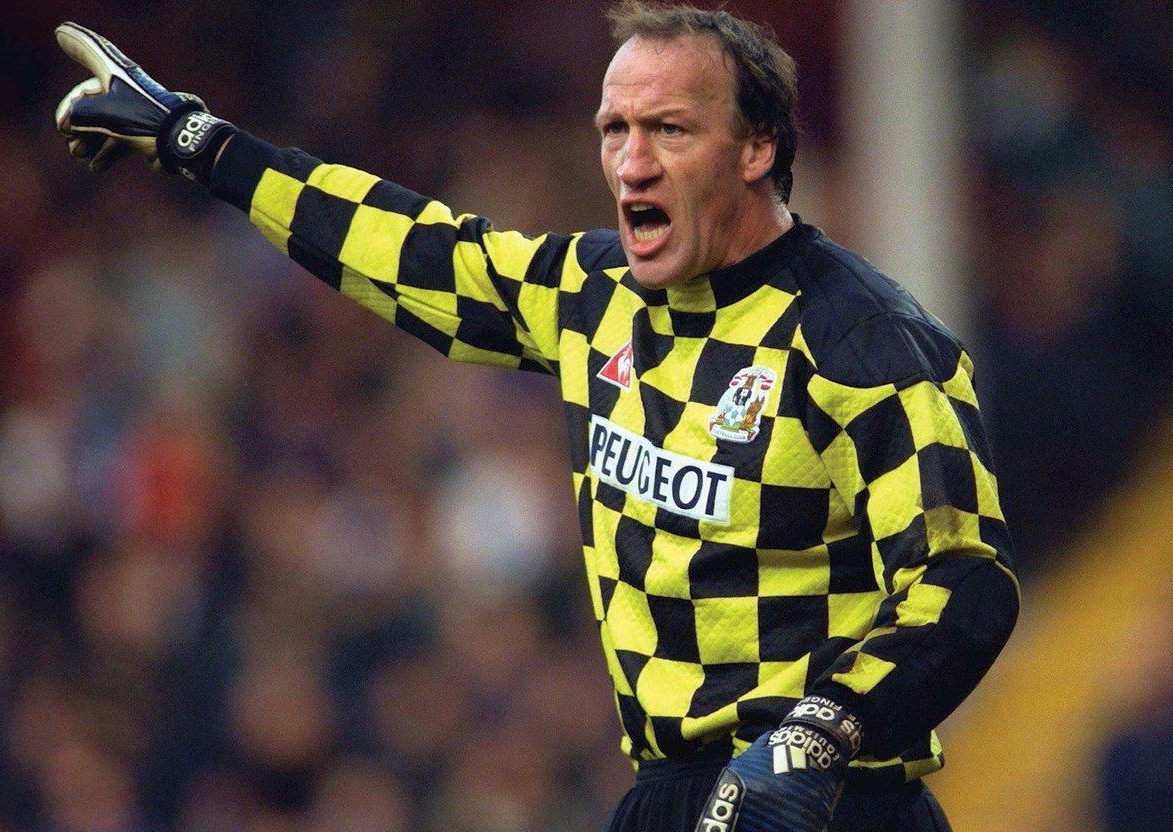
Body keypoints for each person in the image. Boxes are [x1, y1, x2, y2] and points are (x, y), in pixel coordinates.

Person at [53, 4, 1020, 831]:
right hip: (666, 795)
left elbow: (964, 585)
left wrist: (821, 735)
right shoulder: (593, 294)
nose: (632, 164)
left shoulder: (865, 343)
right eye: (615, 129)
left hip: (828, 798)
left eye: (669, 131)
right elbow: (407, 249)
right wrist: (205, 145)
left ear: (757, 148)